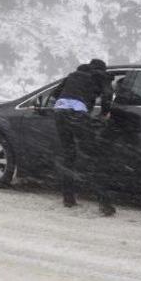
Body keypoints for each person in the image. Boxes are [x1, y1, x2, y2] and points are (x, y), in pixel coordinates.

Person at [54, 58, 115, 216]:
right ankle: (105, 204)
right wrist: (104, 113)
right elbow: (108, 94)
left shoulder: (73, 75)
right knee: (92, 157)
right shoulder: (101, 76)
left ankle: (68, 198)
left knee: (69, 154)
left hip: (60, 112)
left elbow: (55, 94)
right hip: (77, 114)